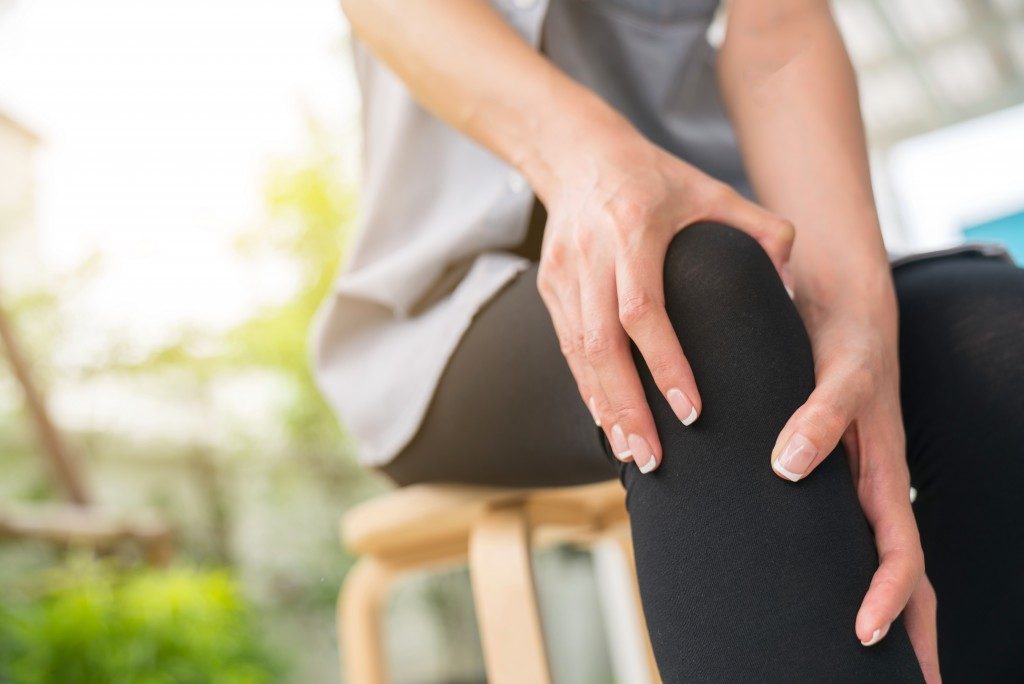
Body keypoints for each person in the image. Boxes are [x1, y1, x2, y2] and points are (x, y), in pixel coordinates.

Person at [314, 0, 1024, 680]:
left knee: (997, 339)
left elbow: (778, 29)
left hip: (739, 230)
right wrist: (592, 164)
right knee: (683, 303)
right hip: (453, 312)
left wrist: (850, 316)